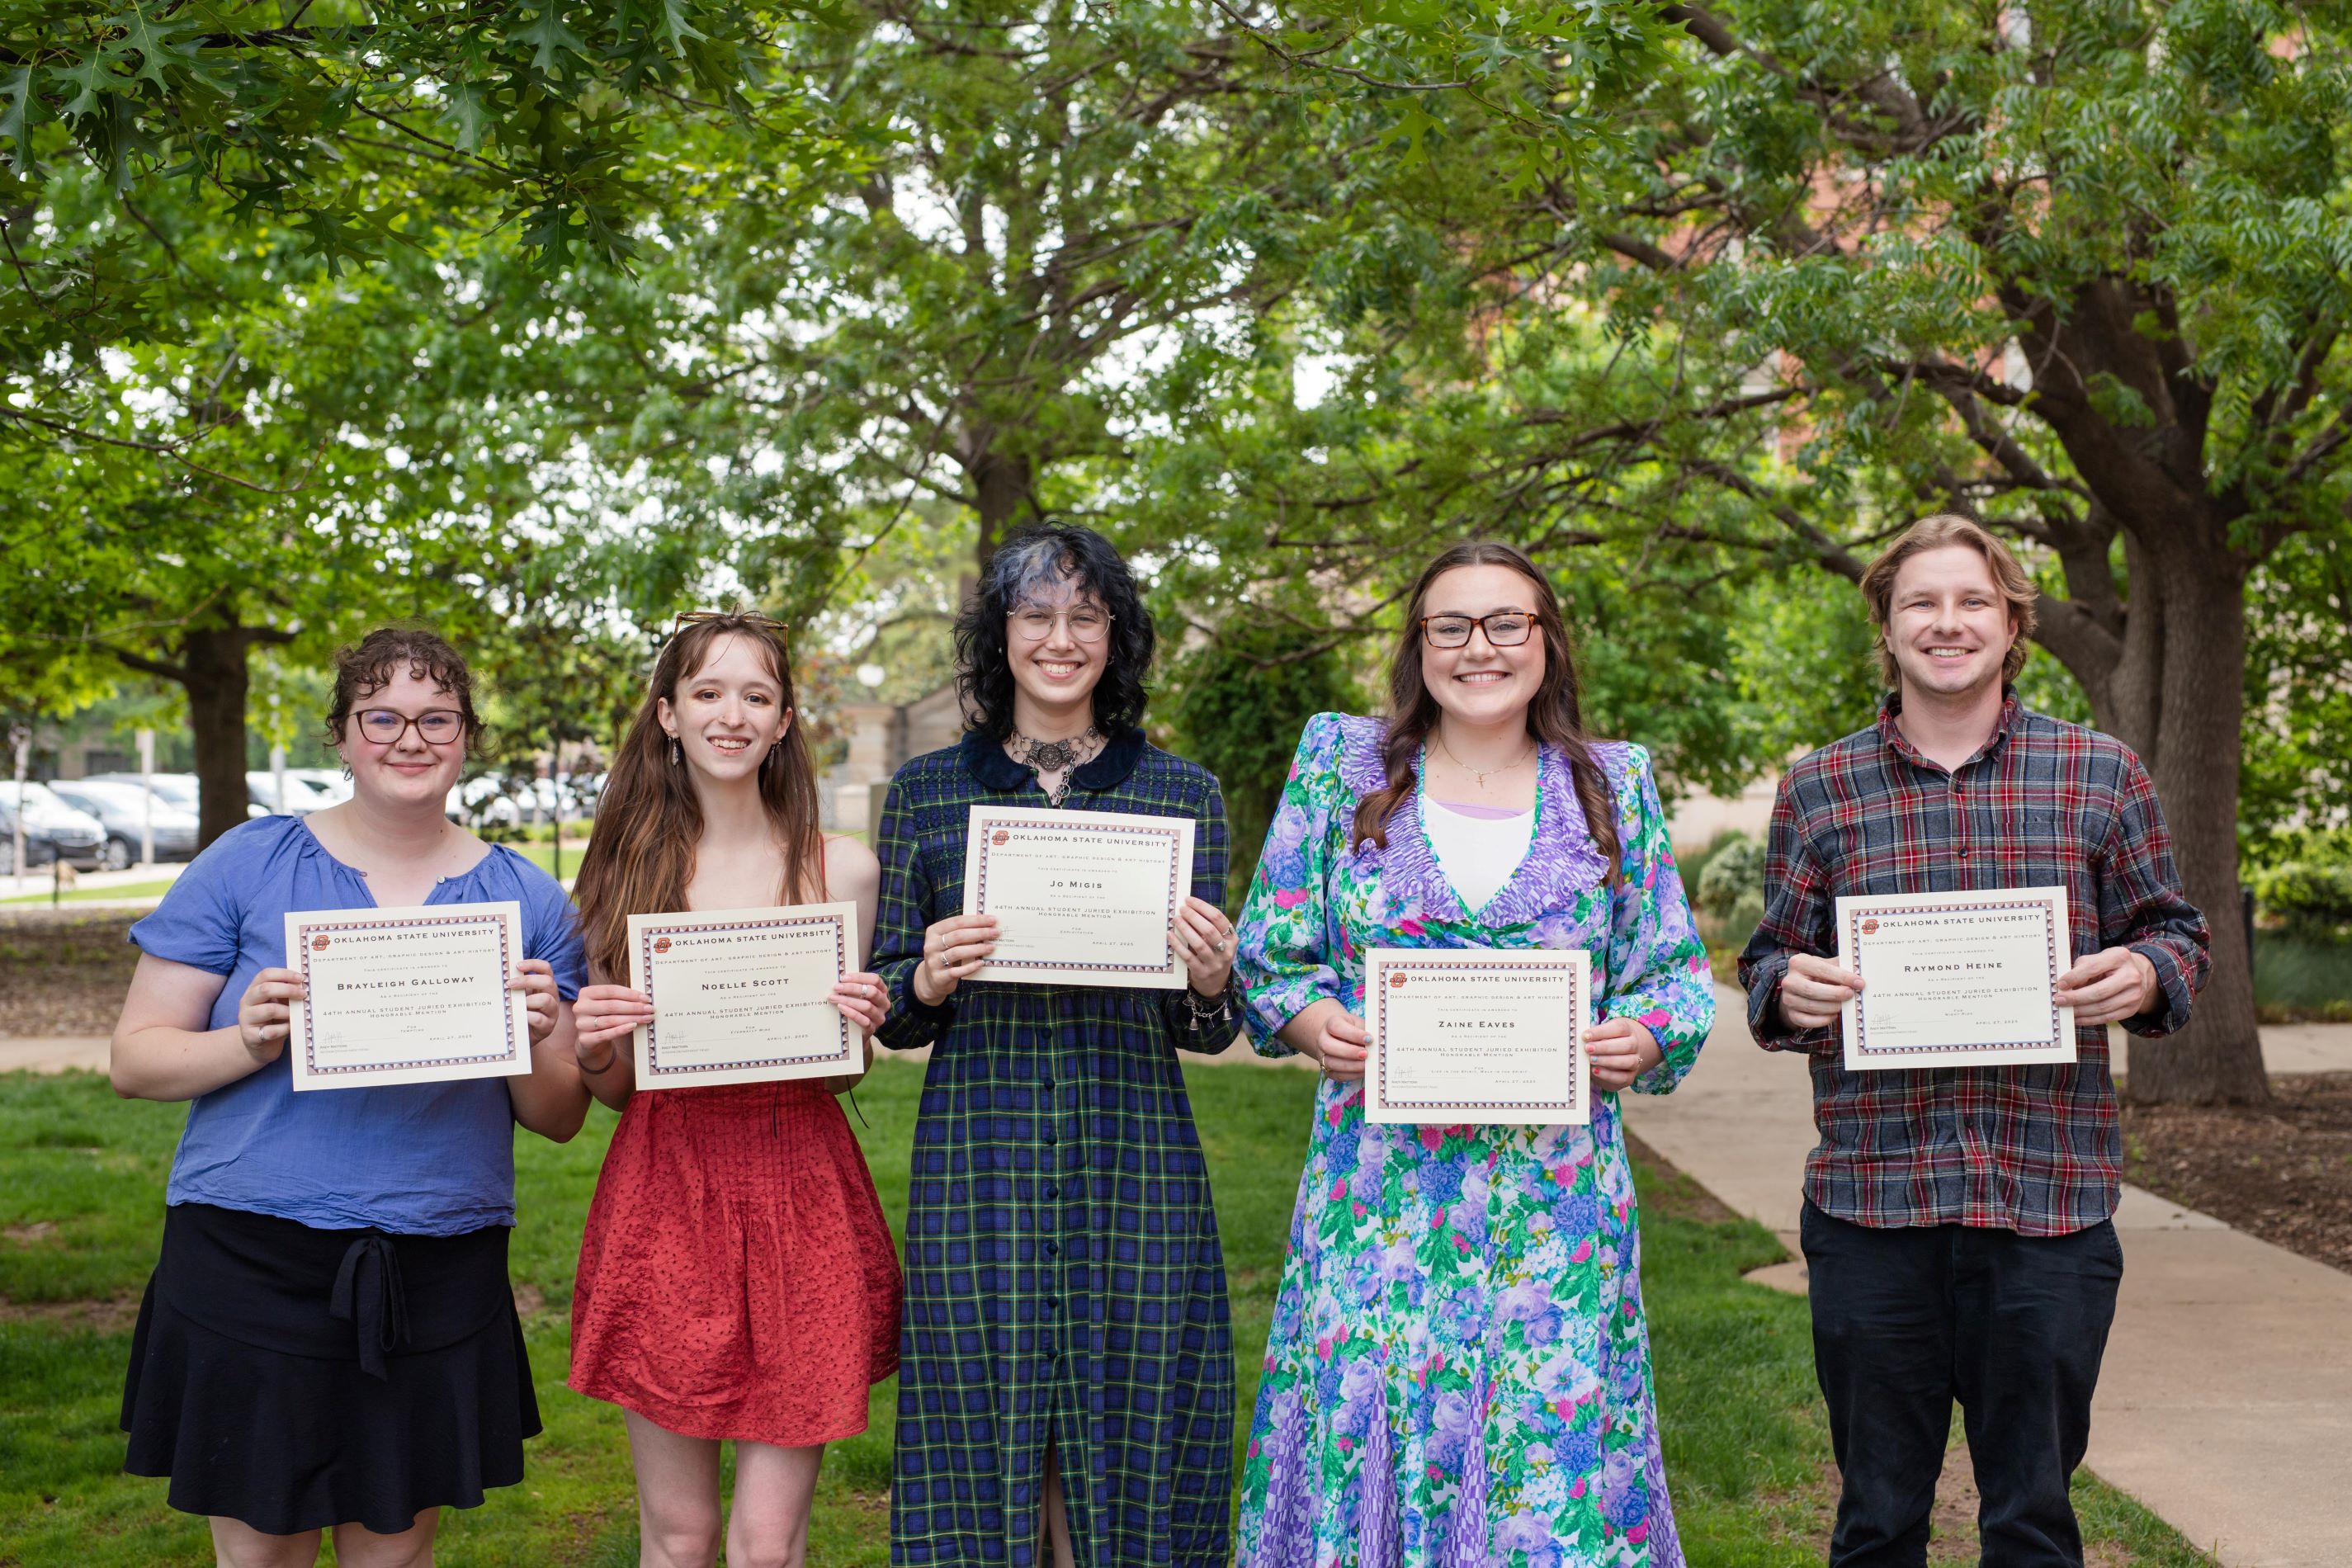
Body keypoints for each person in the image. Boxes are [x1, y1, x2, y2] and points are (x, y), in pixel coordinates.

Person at [1737, 513, 2211, 1568]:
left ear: (2010, 625)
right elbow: (1769, 959)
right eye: (1922, 602)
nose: (1947, 623)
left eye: (1972, 602)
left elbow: (2175, 932)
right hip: (1873, 1203)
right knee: (1876, 1520)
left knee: (2034, 1522)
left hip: (2047, 1202)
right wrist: (1788, 991)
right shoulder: (1819, 787)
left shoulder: (2102, 774)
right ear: (1888, 624)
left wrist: (2144, 973)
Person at [1232, 539, 1715, 1568]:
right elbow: (1270, 953)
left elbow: (1673, 974)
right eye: (1450, 625)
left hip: (1555, 1211)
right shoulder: (1342, 764)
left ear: (1547, 641)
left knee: (1543, 1464)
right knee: (1377, 1436)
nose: (1479, 647)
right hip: (1380, 1204)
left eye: (1507, 623)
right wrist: (1315, 1024)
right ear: (1418, 646)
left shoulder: (1612, 783)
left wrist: (1646, 1034)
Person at [109, 626, 589, 1568]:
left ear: (466, 737)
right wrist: (244, 1038)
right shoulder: (246, 863)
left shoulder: (528, 899)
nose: (409, 739)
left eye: (435, 718)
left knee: (394, 1555)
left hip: (437, 1264)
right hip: (251, 1257)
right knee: (262, 1556)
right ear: (341, 734)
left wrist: (532, 1034)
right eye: (383, 716)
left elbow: (559, 1116)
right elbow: (136, 1061)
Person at [868, 522, 1241, 1567]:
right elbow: (894, 1004)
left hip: (1134, 1144)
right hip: (981, 1142)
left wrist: (1214, 979)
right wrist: (928, 974)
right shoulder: (931, 791)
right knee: (981, 1408)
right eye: (1036, 613)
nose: (1061, 637)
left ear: (1115, 637)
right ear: (1002, 633)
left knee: (1130, 1400)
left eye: (1086, 614)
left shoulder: (1183, 795)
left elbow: (1207, 1029)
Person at [565, 612, 900, 1568]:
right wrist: (595, 1046)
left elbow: (839, 1069)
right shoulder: (624, 871)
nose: (732, 714)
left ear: (786, 719)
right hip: (668, 1188)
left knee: (765, 1542)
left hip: (801, 1187)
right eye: (709, 692)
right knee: (679, 1535)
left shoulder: (844, 868)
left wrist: (858, 1023)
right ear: (668, 713)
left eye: (756, 695)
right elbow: (617, 1089)